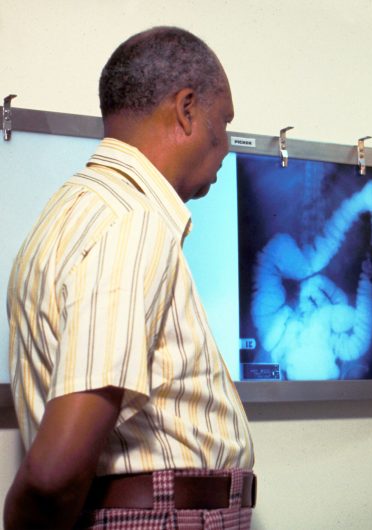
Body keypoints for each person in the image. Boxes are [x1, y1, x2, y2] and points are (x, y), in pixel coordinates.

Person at [4, 27, 255, 529]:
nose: (225, 145)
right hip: (161, 517)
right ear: (186, 109)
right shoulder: (132, 222)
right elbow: (54, 473)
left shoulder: (70, 211)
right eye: (223, 121)